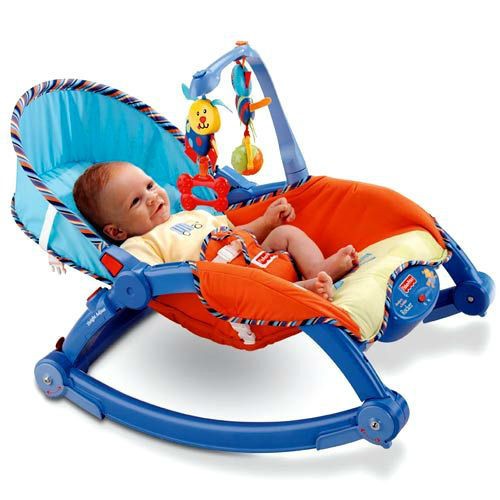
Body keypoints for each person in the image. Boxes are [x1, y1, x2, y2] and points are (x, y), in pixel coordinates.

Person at [73, 161, 358, 300]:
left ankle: (318, 269)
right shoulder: (141, 245)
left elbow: (238, 233)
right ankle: (302, 291)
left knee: (287, 234)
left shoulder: (193, 214)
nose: (151, 197)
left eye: (149, 185)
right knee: (249, 284)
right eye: (135, 201)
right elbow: (150, 277)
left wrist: (267, 222)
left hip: (254, 254)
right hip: (226, 282)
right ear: (117, 232)